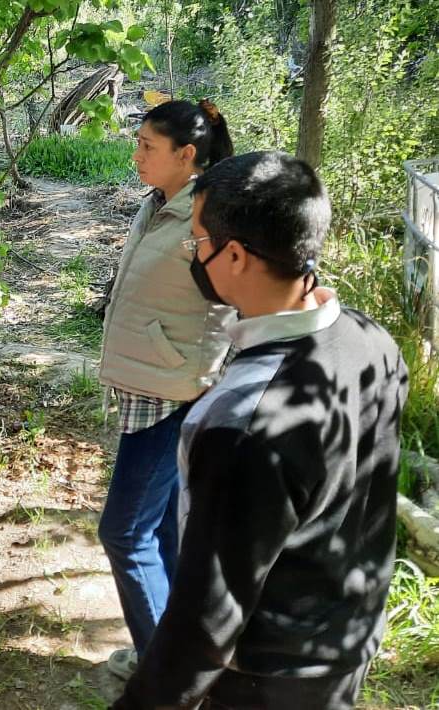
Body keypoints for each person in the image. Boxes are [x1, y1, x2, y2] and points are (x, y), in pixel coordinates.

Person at [113, 151, 408, 709]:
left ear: (236, 256)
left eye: (197, 242)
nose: (193, 256)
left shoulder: (244, 421)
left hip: (266, 679)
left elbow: (205, 625)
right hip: (348, 638)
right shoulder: (374, 344)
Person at [95, 99, 236, 678]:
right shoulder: (160, 205)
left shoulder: (214, 216)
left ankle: (167, 675)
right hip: (151, 382)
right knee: (160, 528)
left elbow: (241, 296)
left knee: (125, 533)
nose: (136, 158)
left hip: (175, 390)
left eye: (147, 148)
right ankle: (189, 653)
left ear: (187, 155)